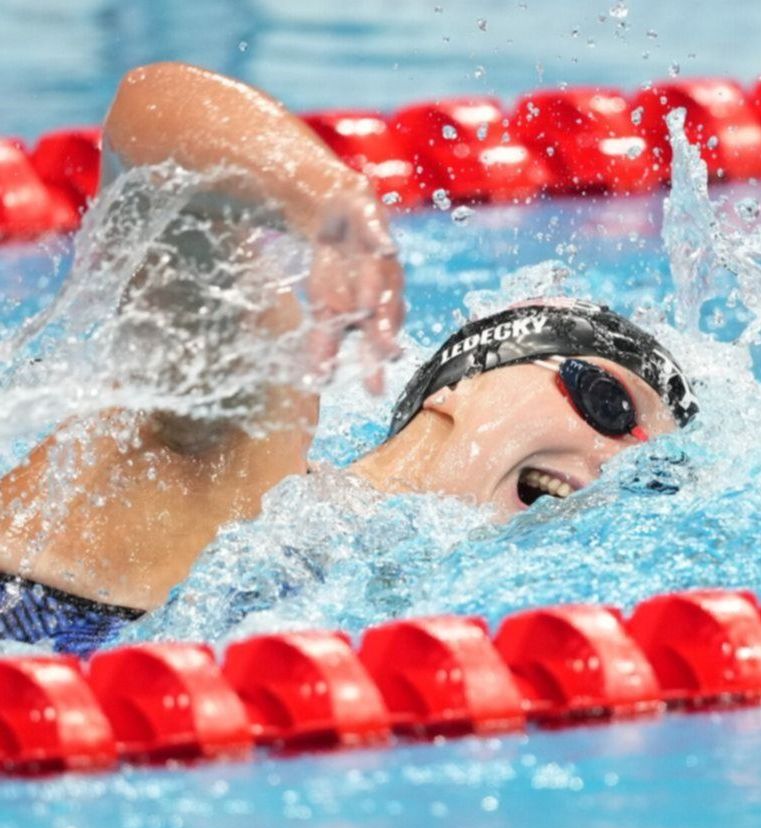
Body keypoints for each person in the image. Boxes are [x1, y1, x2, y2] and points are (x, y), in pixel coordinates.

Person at [0, 62, 697, 656]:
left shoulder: (400, 609)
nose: (615, 464)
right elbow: (148, 107)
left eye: (646, 479)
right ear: (458, 387)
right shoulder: (253, 444)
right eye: (607, 404)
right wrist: (327, 194)